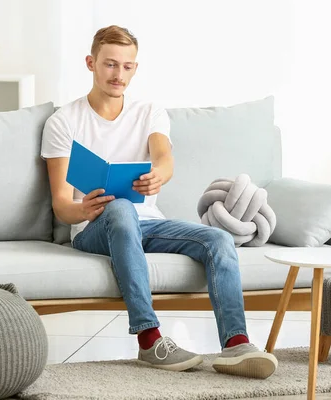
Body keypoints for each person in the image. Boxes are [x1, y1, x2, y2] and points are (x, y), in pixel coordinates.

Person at [40, 25, 278, 379]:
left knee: (218, 239)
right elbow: (61, 204)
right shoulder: (63, 122)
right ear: (91, 63)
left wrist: (159, 174)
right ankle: (149, 339)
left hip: (147, 223)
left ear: (135, 68)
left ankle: (236, 344)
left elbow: (163, 157)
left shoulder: (149, 111)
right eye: (109, 64)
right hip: (93, 228)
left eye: (127, 66)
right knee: (118, 208)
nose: (118, 74)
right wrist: (84, 209)